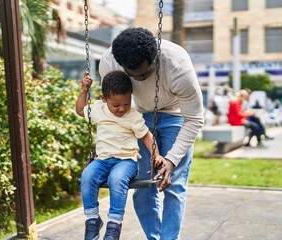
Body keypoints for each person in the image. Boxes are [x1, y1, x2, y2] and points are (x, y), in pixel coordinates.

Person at [99, 27, 204, 240]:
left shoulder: (177, 66)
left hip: (177, 116)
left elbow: (194, 119)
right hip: (139, 117)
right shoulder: (109, 62)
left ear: (154, 58)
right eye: (133, 75)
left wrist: (171, 160)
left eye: (145, 73)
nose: (140, 79)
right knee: (142, 187)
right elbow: (113, 109)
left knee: (173, 185)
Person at [76, 70, 165, 240]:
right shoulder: (98, 109)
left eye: (126, 103)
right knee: (87, 176)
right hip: (102, 160)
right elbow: (80, 110)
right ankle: (92, 220)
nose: (122, 109)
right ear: (104, 99)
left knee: (116, 179)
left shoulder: (133, 116)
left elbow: (147, 136)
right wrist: (84, 90)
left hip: (126, 162)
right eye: (116, 105)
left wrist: (157, 155)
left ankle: (114, 225)